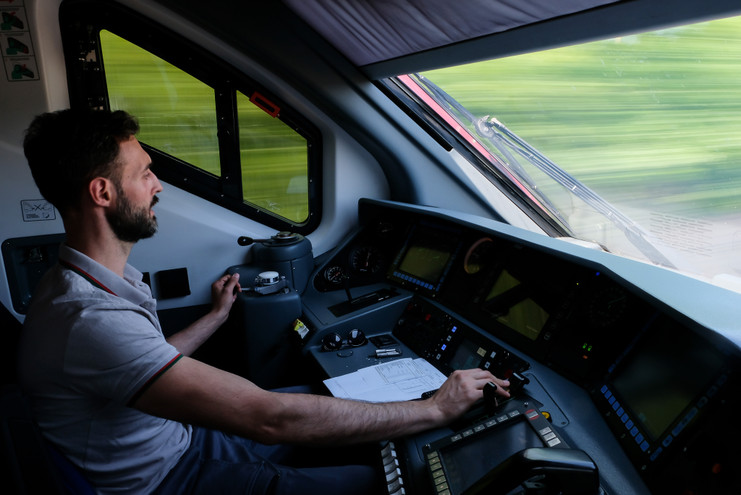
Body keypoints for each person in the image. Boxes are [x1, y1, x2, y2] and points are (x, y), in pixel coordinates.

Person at [18, 108, 510, 495]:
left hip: (178, 439)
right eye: (145, 173)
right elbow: (266, 419)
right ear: (102, 192)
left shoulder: (88, 282)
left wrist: (215, 318)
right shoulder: (87, 317)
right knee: (377, 483)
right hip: (169, 479)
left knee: (327, 400)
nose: (158, 185)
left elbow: (147, 362)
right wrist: (437, 410)